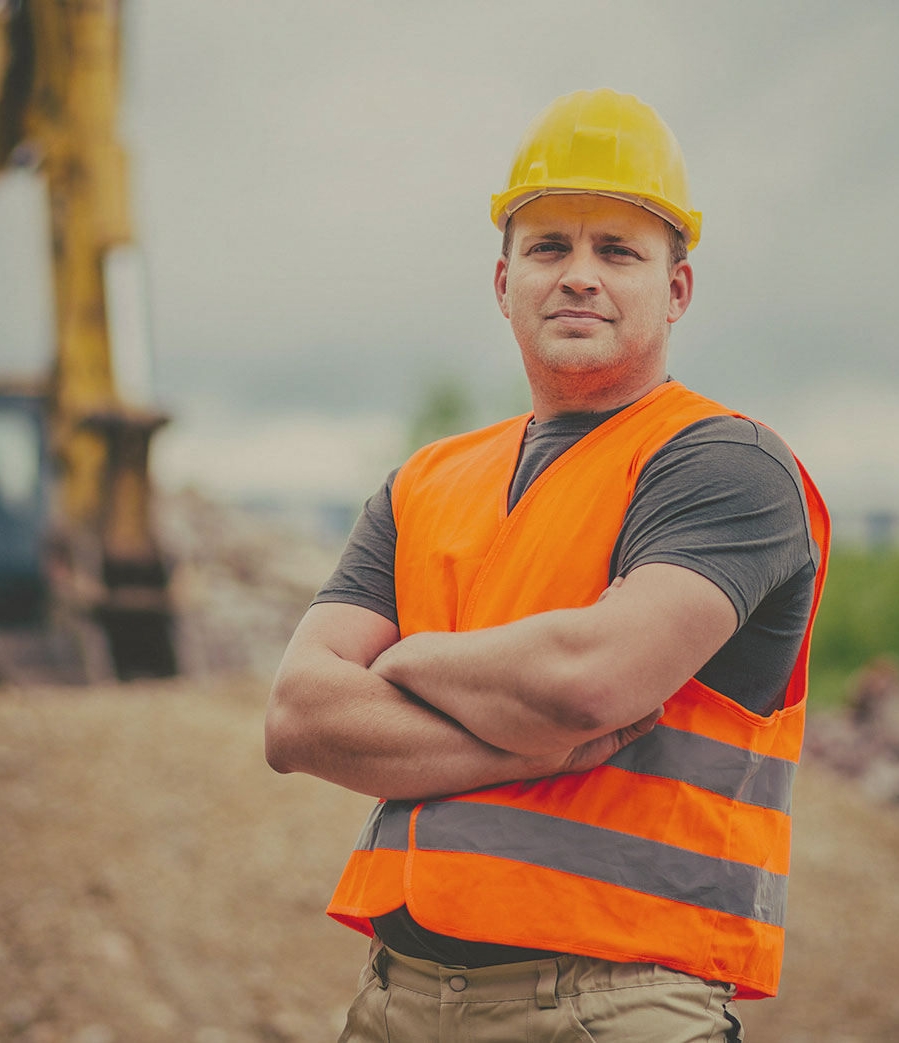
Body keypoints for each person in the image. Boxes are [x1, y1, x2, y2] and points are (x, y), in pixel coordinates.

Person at [264, 89, 830, 1042]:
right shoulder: (425, 482)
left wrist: (405, 662)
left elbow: (587, 681)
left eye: (618, 250)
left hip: (617, 1005)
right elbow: (296, 716)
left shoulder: (726, 466)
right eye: (549, 247)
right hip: (398, 997)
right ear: (502, 280)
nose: (579, 275)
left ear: (677, 289)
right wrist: (528, 746)